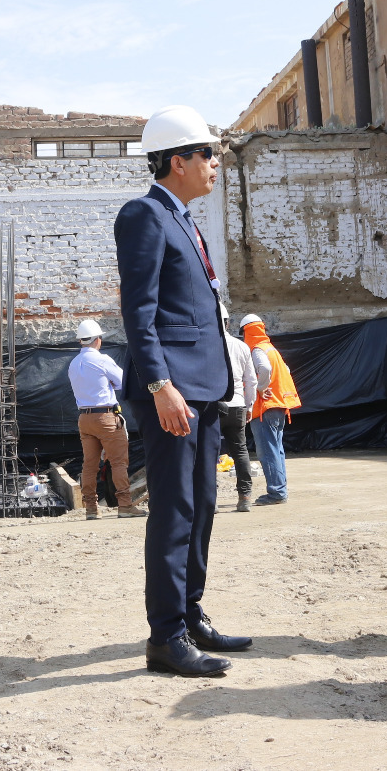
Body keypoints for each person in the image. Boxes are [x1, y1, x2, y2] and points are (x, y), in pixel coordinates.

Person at [115, 104, 250, 678]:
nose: (215, 163)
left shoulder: (185, 220)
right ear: (178, 161)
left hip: (205, 388)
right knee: (173, 512)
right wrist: (160, 384)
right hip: (173, 390)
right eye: (207, 154)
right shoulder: (144, 215)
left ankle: (191, 614)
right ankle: (166, 637)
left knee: (202, 506)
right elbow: (138, 312)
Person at [67, 318, 146, 520]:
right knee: (119, 463)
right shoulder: (102, 360)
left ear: (81, 340)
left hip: (84, 418)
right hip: (106, 417)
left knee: (89, 465)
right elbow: (122, 382)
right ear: (97, 339)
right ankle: (125, 505)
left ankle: (91, 508)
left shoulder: (74, 363)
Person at [239, 314, 300, 505]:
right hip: (278, 406)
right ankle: (280, 489)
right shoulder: (271, 349)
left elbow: (264, 369)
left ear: (246, 332)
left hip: (266, 408)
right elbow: (286, 370)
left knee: (268, 452)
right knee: (276, 450)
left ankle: (277, 493)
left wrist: (260, 387)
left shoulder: (257, 349)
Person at [220, 329, 259, 513]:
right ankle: (245, 498)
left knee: (208, 452)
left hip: (214, 406)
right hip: (237, 405)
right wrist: (249, 406)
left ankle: (210, 501)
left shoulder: (208, 344)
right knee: (240, 451)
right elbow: (251, 381)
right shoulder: (242, 346)